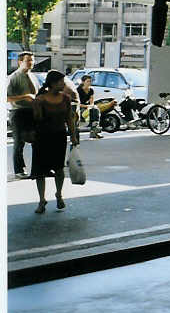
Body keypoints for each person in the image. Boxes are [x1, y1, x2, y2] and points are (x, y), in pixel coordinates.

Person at [31, 70, 79, 213]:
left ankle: (59, 194)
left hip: (59, 137)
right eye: (61, 82)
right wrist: (36, 106)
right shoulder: (40, 99)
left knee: (59, 169)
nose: (64, 84)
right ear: (53, 83)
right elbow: (36, 119)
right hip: (42, 138)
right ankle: (41, 200)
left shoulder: (65, 98)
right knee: (40, 170)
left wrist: (73, 135)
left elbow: (69, 118)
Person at [6, 51, 39, 179]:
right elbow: (6, 98)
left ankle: (38, 168)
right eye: (28, 60)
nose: (31, 63)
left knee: (37, 140)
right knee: (19, 143)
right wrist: (25, 96)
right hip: (18, 112)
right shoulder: (13, 77)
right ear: (20, 62)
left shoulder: (33, 77)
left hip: (32, 112)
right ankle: (19, 170)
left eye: (32, 60)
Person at [76, 75, 103, 139]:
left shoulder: (91, 90)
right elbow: (77, 103)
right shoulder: (78, 90)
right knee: (91, 112)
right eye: (88, 81)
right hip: (79, 108)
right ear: (83, 82)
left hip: (87, 107)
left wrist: (91, 106)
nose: (89, 83)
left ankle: (94, 131)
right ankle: (93, 131)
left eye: (90, 81)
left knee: (95, 110)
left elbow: (91, 101)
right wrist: (86, 106)